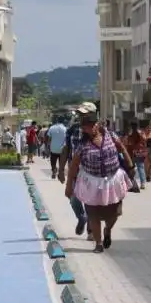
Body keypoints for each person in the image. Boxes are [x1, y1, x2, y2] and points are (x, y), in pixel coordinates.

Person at [65, 113, 134, 253]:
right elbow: (73, 166)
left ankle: (108, 229)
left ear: (97, 124)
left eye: (92, 126)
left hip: (112, 180)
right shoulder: (82, 145)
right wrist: (68, 186)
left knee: (114, 213)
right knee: (93, 214)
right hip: (91, 182)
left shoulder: (110, 136)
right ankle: (98, 243)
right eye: (86, 128)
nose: (90, 129)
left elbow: (122, 148)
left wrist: (130, 166)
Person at [59, 102, 98, 239]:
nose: (81, 117)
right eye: (80, 114)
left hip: (93, 171)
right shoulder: (73, 129)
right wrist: (60, 169)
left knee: (91, 201)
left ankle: (92, 231)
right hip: (75, 171)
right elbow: (66, 148)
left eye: (84, 114)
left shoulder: (99, 130)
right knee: (73, 198)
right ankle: (82, 217)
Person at [126, 120, 148, 189]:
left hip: (133, 152)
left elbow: (129, 143)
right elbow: (145, 140)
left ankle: (130, 182)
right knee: (140, 167)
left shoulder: (131, 133)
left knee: (131, 167)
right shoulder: (141, 132)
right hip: (141, 152)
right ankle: (142, 183)